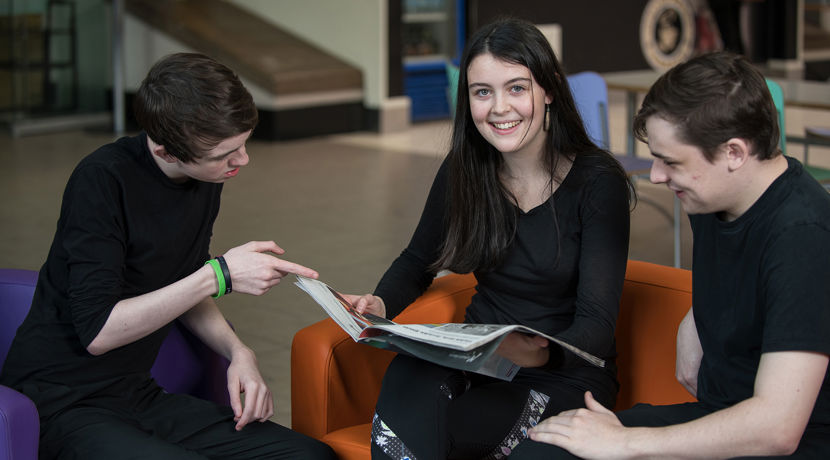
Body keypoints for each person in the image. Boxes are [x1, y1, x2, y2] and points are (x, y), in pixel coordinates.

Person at [0, 53, 335, 460]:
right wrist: (220, 274)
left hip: (137, 392)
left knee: (310, 456)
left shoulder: (205, 176)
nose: (241, 161)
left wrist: (238, 352)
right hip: (61, 400)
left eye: (243, 145)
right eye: (224, 155)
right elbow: (99, 333)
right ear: (165, 151)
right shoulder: (103, 180)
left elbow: (183, 276)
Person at [343, 18, 632, 459]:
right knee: (406, 374)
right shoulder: (465, 170)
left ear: (549, 89)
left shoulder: (597, 181)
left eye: (516, 88)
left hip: (563, 374)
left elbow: (596, 325)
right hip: (478, 361)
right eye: (483, 92)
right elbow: (417, 259)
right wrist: (378, 306)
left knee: (440, 434)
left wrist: (537, 355)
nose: (499, 108)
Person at [526, 51, 830, 459]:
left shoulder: (803, 235)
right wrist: (695, 316)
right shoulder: (715, 195)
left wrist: (627, 442)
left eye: (670, 161)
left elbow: (778, 428)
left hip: (789, 441)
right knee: (546, 449)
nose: (655, 176)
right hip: (719, 416)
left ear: (734, 153)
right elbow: (744, 271)